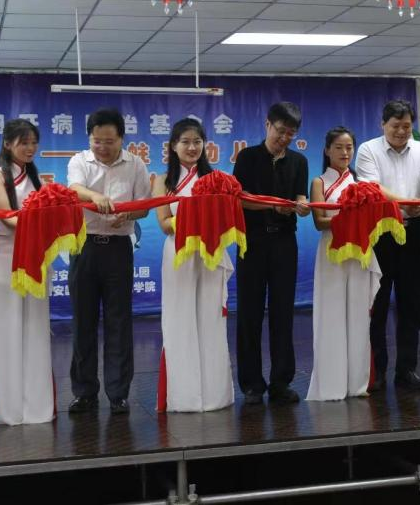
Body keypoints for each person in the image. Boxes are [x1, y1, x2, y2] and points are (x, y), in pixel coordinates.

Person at [66, 108, 151, 415]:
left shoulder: (136, 164)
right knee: (83, 322)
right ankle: (84, 392)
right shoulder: (79, 161)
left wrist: (128, 214)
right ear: (90, 138)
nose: (102, 147)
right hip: (84, 247)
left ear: (121, 139)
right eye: (97, 141)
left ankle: (118, 393)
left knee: (118, 321)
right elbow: (74, 190)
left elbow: (144, 207)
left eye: (109, 141)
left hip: (118, 249)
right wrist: (95, 196)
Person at [356, 100, 420, 391]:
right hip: (382, 231)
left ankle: (406, 370)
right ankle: (378, 371)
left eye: (406, 126)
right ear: (383, 124)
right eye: (396, 126)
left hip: (414, 231)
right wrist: (405, 204)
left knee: (411, 303)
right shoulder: (368, 149)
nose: (402, 131)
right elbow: (373, 188)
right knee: (378, 303)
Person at [153, 118, 234, 412]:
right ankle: (184, 396)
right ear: (173, 146)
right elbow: (164, 223)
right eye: (185, 142)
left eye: (197, 142)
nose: (192, 147)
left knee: (211, 319)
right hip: (179, 252)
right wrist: (196, 217)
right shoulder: (163, 181)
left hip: (210, 252)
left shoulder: (215, 180)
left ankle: (215, 395)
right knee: (180, 319)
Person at [233, 102, 311, 405]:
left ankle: (281, 381)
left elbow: (300, 197)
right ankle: (252, 384)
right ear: (268, 125)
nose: (284, 138)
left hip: (284, 242)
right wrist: (273, 205)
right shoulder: (247, 157)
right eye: (281, 131)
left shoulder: (299, 161)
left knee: (283, 312)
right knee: (250, 313)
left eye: (291, 134)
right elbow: (240, 199)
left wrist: (301, 206)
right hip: (251, 242)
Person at [0, 118, 54, 425]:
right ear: (7, 144)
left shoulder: (39, 181)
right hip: (6, 256)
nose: (30, 148)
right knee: (6, 330)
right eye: (24, 142)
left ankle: (36, 405)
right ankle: (7, 408)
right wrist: (48, 222)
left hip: (36, 256)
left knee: (35, 329)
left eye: (34, 143)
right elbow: (9, 217)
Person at [306, 127, 381, 401]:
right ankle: (331, 384)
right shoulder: (319, 182)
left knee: (359, 315)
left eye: (349, 147)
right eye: (338, 147)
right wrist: (349, 216)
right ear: (327, 150)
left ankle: (357, 383)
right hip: (332, 249)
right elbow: (319, 221)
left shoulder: (361, 184)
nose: (345, 152)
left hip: (359, 249)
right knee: (332, 313)